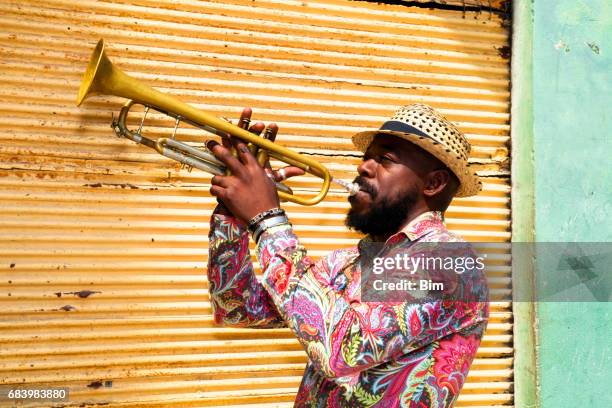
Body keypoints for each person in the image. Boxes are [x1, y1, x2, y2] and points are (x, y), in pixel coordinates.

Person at [206, 104, 489, 407]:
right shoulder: (345, 262)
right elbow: (238, 308)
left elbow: (344, 350)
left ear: (433, 184)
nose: (363, 167)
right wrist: (233, 216)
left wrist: (267, 220)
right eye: (367, 156)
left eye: (385, 159)